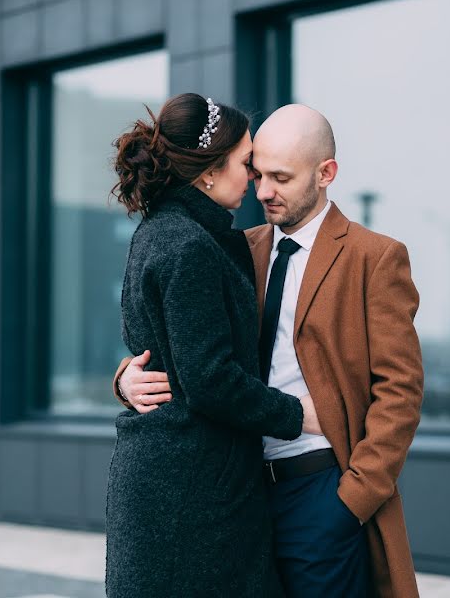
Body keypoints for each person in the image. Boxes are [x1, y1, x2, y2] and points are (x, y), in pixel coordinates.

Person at [114, 104, 424, 597]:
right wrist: (128, 376)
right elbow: (192, 345)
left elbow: (401, 393)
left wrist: (351, 502)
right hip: (236, 495)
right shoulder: (235, 246)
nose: (263, 192)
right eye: (257, 174)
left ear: (326, 174)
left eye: (280, 177)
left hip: (319, 487)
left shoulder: (375, 258)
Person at [105, 93, 323, 597]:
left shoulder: (162, 234)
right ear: (208, 171)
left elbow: (162, 353)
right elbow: (209, 379)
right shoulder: (188, 246)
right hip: (193, 496)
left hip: (174, 482)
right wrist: (300, 415)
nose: (255, 178)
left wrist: (123, 378)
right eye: (247, 163)